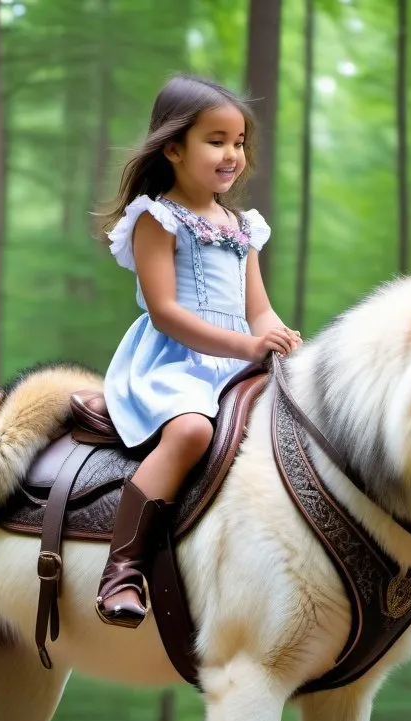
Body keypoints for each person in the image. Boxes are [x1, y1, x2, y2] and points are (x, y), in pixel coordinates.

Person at [96, 73, 301, 629]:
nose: (232, 154)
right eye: (216, 141)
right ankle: (123, 570)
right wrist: (247, 344)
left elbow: (258, 309)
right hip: (172, 361)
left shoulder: (241, 226)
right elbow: (166, 312)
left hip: (236, 360)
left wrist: (282, 341)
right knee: (191, 432)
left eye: (238, 142)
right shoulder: (155, 219)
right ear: (173, 147)